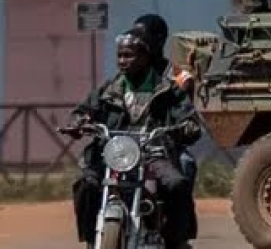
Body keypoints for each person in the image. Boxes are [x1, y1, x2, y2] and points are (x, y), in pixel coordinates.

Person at [62, 28, 200, 247]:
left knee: (176, 184)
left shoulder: (167, 90)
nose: (123, 61)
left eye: (129, 55)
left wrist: (187, 127)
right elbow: (85, 109)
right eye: (119, 55)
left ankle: (176, 240)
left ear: (145, 57)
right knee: (85, 185)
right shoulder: (109, 89)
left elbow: (187, 117)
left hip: (153, 154)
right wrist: (77, 122)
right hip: (112, 153)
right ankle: (90, 238)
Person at [132, 13, 199, 240]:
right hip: (129, 145)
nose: (136, 41)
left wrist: (183, 128)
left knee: (185, 165)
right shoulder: (130, 71)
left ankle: (179, 234)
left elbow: (186, 110)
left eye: (142, 36)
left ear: (159, 39)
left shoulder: (178, 76)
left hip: (165, 144)